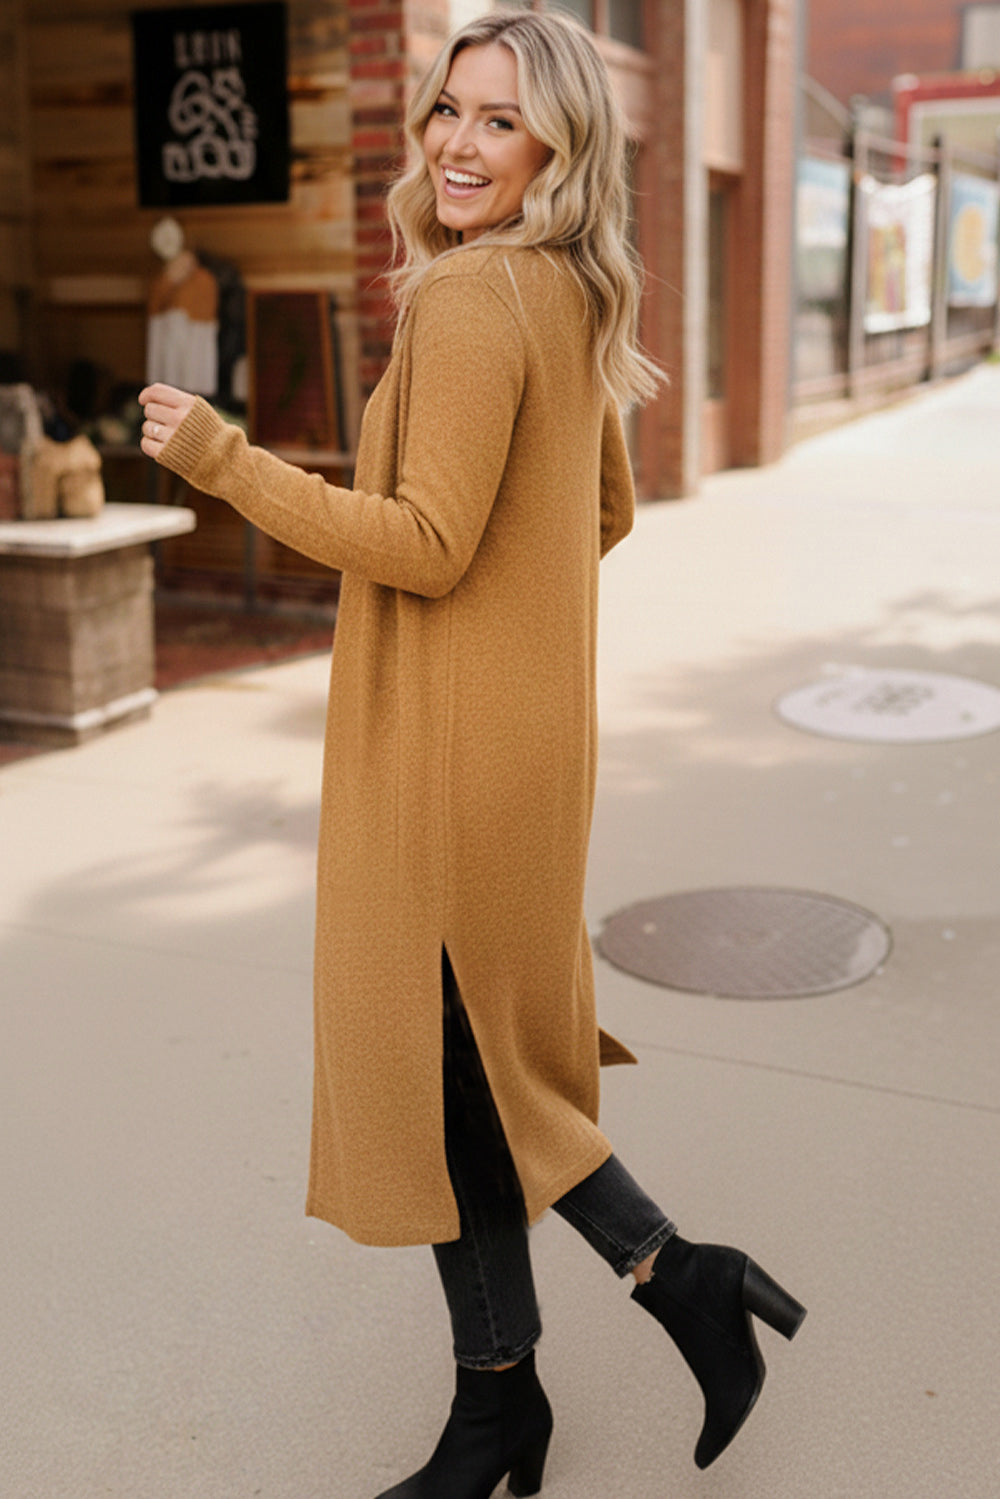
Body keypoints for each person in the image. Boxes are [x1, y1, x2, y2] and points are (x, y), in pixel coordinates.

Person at [140, 13, 805, 1496]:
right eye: (451, 108)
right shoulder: (573, 290)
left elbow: (428, 547)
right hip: (525, 750)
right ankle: (501, 1407)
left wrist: (225, 458)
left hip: (441, 760)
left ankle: (675, 1277)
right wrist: (519, 630)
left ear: (559, 146)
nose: (455, 141)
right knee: (470, 1078)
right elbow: (602, 512)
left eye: (500, 121)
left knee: (469, 1077)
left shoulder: (475, 299)